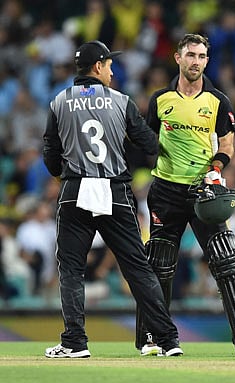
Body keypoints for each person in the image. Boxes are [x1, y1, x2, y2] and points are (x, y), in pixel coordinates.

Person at [42, 40, 182, 358]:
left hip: (75, 190)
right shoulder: (120, 101)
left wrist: (61, 171)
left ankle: (75, 343)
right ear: (98, 67)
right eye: (108, 64)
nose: (112, 69)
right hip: (115, 189)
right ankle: (167, 340)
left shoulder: (59, 101)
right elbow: (149, 144)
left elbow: (50, 153)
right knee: (137, 268)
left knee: (72, 270)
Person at [135, 33, 235, 357]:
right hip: (165, 189)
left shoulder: (218, 101)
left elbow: (227, 144)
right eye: (190, 55)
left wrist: (216, 169)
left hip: (202, 190)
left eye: (202, 56)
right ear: (178, 58)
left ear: (207, 60)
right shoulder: (160, 100)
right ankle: (150, 339)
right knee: (159, 264)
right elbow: (146, 140)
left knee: (228, 258)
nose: (196, 61)